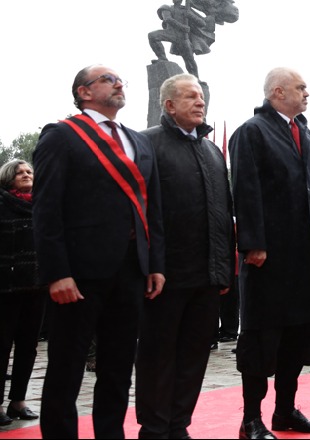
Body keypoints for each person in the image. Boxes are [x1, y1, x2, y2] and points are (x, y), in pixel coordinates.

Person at [32, 65, 166, 439]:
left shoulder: (138, 141)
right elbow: (46, 209)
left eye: (120, 79)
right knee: (66, 366)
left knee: (119, 366)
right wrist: (56, 272)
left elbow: (150, 207)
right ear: (84, 92)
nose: (119, 83)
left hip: (131, 269)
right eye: (108, 79)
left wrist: (154, 262)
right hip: (78, 271)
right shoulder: (62, 135)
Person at [229, 67, 310, 439]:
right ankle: (251, 419)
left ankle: (285, 411)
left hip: (305, 256)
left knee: (298, 337)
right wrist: (253, 242)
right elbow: (245, 188)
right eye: (300, 87)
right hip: (269, 258)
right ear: (277, 92)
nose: (307, 93)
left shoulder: (307, 135)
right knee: (263, 338)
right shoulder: (252, 132)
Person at [135, 73, 235, 439]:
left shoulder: (211, 150)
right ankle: (154, 427)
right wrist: (149, 265)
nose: (200, 102)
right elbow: (141, 212)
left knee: (194, 357)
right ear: (169, 105)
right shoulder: (146, 144)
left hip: (207, 276)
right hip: (165, 276)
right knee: (158, 355)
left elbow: (223, 212)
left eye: (202, 97)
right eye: (191, 96)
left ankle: (179, 425)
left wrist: (222, 270)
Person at [0, 160, 46, 425]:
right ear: (9, 178)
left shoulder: (40, 204)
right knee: (2, 346)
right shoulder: (3, 203)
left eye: (29, 171)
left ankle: (18, 401)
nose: (26, 174)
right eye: (20, 172)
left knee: (29, 347)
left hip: (36, 286)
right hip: (6, 287)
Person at [149, 0, 211, 78]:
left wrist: (190, 15)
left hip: (183, 38)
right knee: (152, 36)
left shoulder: (186, 10)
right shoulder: (166, 7)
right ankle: (162, 57)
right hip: (170, 33)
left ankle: (196, 78)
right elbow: (167, 19)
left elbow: (202, 23)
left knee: (189, 60)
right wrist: (182, 27)